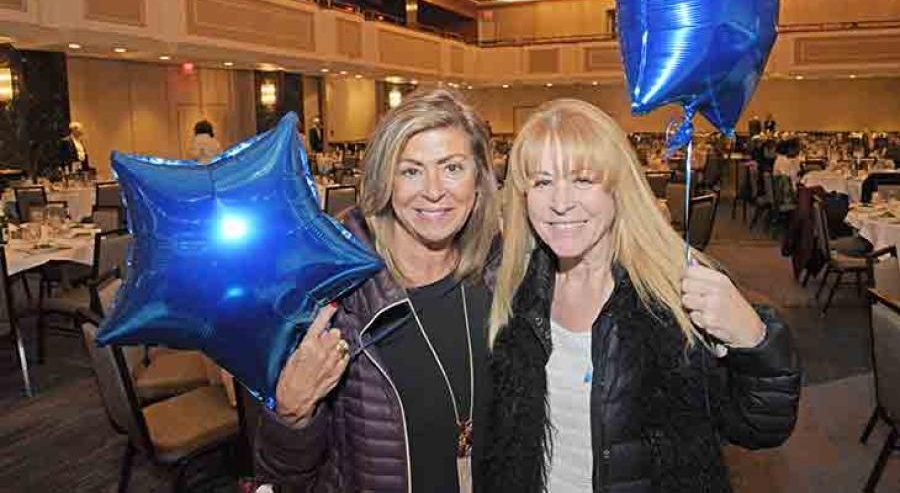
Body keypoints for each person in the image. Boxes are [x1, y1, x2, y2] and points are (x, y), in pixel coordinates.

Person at [482, 99, 801, 492]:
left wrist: (756, 340)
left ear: (619, 189)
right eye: (543, 182)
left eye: (582, 180)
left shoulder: (673, 291)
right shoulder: (514, 292)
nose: (560, 203)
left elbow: (760, 427)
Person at [255, 89, 500, 492]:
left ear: (479, 179)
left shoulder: (499, 276)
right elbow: (281, 477)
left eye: (452, 167)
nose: (434, 190)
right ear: (384, 180)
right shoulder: (334, 298)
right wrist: (291, 416)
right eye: (411, 171)